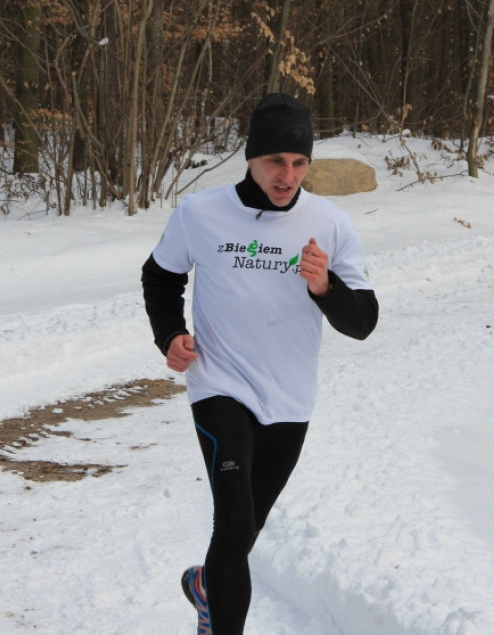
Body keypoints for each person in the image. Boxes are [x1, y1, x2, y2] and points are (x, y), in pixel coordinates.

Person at [141, 92, 378, 635]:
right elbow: (160, 275)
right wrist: (170, 334)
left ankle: (206, 587)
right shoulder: (200, 213)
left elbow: (362, 321)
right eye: (276, 161)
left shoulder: (331, 223)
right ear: (250, 157)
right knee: (235, 521)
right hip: (219, 382)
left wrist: (325, 286)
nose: (287, 175)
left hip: (290, 396)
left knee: (243, 535)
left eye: (298, 164)